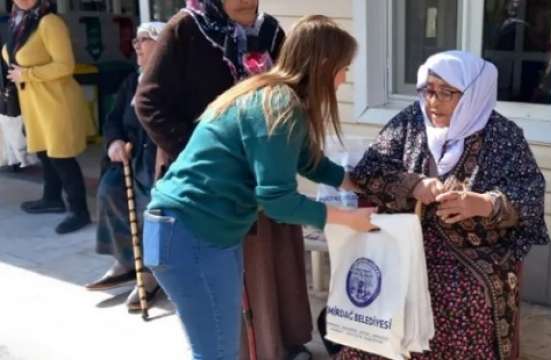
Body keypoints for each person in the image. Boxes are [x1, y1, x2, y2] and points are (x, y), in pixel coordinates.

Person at [141, 15, 373, 360]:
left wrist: (350, 181)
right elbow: (277, 200)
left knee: (221, 347)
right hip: (189, 234)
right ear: (324, 66)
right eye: (343, 69)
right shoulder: (279, 106)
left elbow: (306, 161)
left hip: (195, 232)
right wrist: (344, 218)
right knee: (217, 352)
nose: (343, 79)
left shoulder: (272, 94)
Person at [341, 51, 550, 360]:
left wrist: (483, 204)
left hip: (471, 251)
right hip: (404, 240)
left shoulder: (503, 136)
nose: (433, 102)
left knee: (458, 298)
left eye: (446, 92)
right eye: (428, 89)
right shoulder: (410, 123)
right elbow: (368, 172)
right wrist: (414, 185)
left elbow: (530, 195)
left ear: (473, 95)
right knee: (379, 288)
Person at [84, 22, 166, 312]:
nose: (136, 47)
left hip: (159, 162)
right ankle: (126, 261)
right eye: (136, 41)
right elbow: (113, 118)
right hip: (132, 159)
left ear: (161, 44)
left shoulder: (173, 81)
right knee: (108, 189)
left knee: (152, 209)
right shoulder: (133, 81)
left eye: (143, 40)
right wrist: (114, 142)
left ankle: (152, 273)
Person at [3, 0, 92, 234]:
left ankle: (79, 211)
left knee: (61, 156)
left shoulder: (49, 22)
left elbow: (65, 65)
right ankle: (52, 198)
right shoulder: (19, 22)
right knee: (44, 152)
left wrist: (28, 74)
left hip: (56, 102)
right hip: (35, 103)